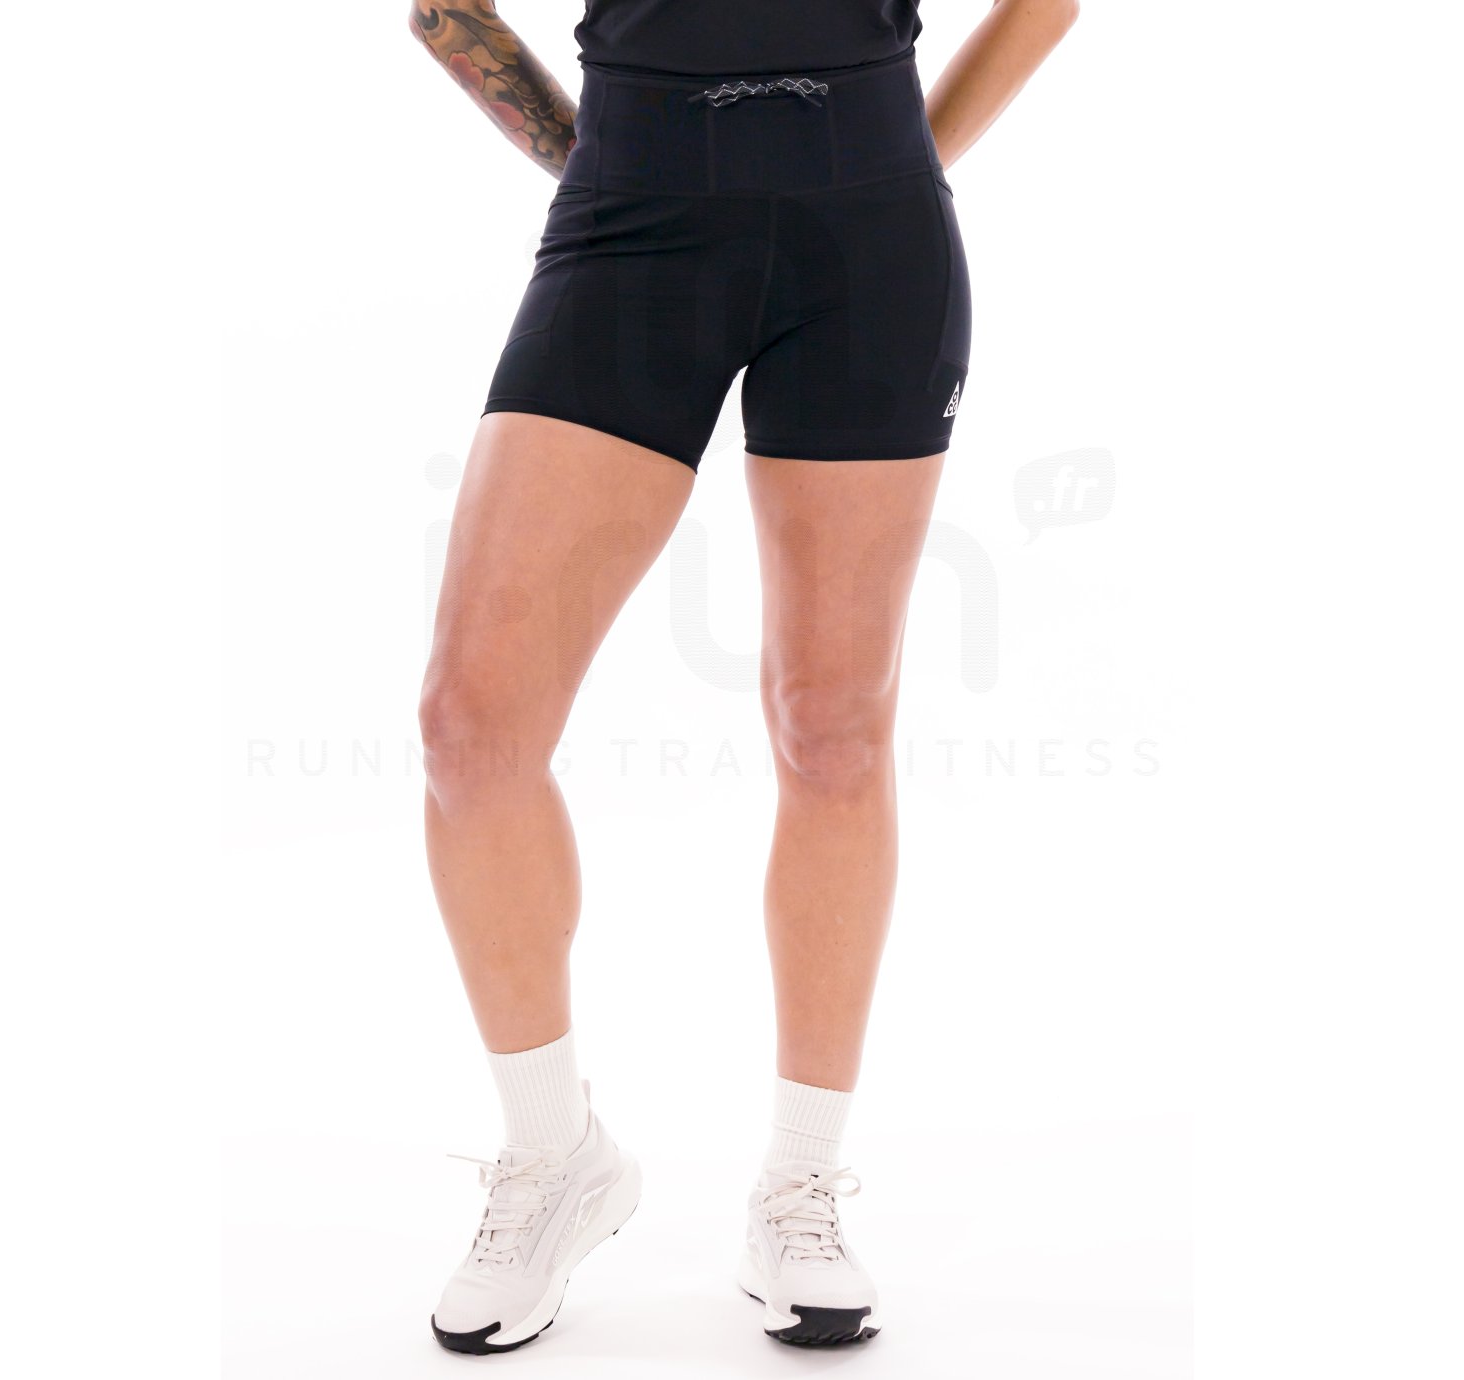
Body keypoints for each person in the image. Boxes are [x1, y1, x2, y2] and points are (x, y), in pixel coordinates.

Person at [408, 0, 1079, 1352]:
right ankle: (553, 1155)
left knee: (833, 728)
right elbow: (443, 11)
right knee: (471, 727)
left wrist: (897, 169)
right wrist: (636, 167)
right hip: (633, 222)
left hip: (871, 232)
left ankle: (800, 1185)